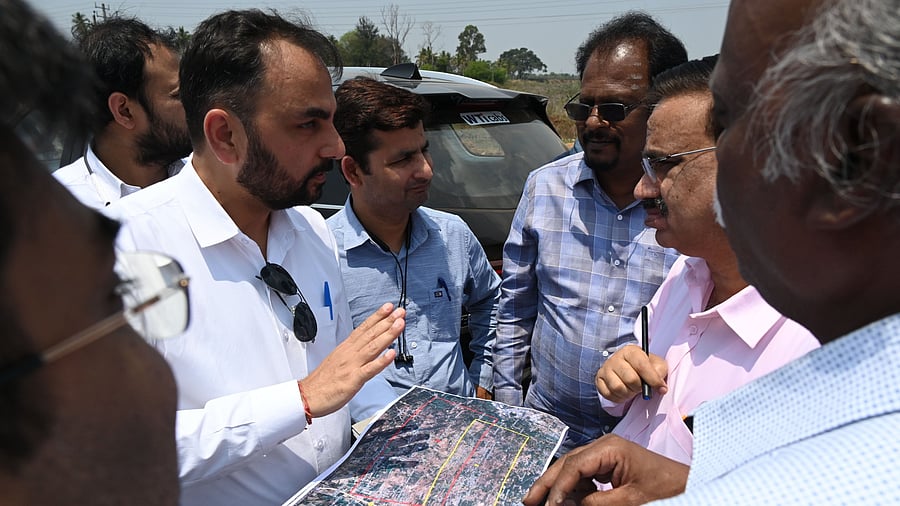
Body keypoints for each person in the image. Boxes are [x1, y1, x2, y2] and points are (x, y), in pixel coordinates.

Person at [523, 0, 900, 503]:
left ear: (864, 152)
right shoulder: (685, 277)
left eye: (728, 121)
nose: (641, 190)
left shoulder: (844, 401)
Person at [108, 10, 403, 506]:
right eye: (309, 124)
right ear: (225, 135)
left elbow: (341, 384)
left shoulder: (310, 229)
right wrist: (300, 401)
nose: (335, 147)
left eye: (331, 121)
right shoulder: (124, 251)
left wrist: (407, 424)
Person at [595, 55, 818, 467]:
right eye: (646, 165)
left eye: (663, 164)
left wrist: (683, 487)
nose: (643, 189)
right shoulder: (687, 272)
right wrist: (619, 377)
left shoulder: (823, 346)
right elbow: (642, 406)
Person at [1, 0, 181, 503]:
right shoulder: (61, 213)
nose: (162, 379)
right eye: (110, 303)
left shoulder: (213, 195)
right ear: (124, 110)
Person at [492, 11, 687, 453]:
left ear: (662, 106)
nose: (594, 122)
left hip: (646, 447)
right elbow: (516, 310)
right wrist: (509, 415)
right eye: (584, 107)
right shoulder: (545, 188)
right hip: (544, 437)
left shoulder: (692, 209)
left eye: (615, 108)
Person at [327, 77, 501, 399]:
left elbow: (492, 302)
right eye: (403, 160)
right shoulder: (323, 255)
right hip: (371, 441)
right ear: (352, 172)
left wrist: (483, 381)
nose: (426, 170)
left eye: (424, 151)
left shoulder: (453, 236)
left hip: (460, 430)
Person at [54, 17, 191, 209]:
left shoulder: (212, 182)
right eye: (178, 94)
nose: (195, 103)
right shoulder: (54, 209)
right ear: (124, 111)